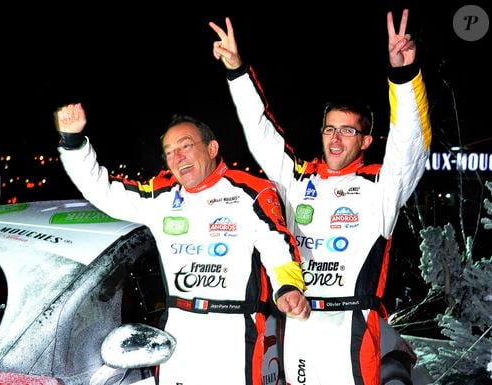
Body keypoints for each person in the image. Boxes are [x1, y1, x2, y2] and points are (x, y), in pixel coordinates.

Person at [209, 8, 431, 385]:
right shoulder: (297, 178)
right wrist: (236, 72)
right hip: (300, 323)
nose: (335, 138)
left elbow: (410, 144)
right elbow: (261, 133)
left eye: (347, 131)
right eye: (330, 129)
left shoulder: (381, 186)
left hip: (352, 326)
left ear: (365, 141)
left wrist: (403, 75)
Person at [54, 106, 311, 385]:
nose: (178, 157)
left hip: (233, 331)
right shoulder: (161, 197)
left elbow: (277, 245)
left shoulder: (251, 191)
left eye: (186, 146)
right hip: (179, 330)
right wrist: (73, 143)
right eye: (169, 151)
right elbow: (101, 189)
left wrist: (288, 286)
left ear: (212, 148)